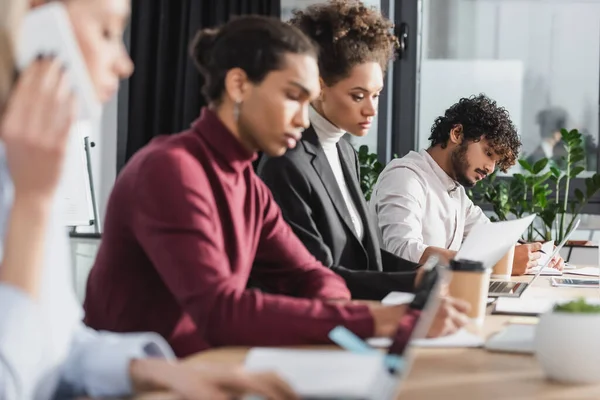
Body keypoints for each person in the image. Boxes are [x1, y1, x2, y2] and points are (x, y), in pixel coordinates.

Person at [83, 15, 470, 357]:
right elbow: (221, 311)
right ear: (239, 85)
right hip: (145, 382)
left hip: (212, 368)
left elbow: (312, 275)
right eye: (292, 97)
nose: (303, 120)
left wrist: (349, 313)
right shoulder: (170, 170)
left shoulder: (248, 186)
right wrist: (380, 319)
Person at [0, 1, 297, 399]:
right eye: (106, 33)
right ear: (35, 26)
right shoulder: (32, 187)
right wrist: (32, 207)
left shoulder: (25, 166)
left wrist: (153, 371)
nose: (126, 64)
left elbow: (53, 346)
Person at [257, 0, 422, 300]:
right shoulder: (287, 163)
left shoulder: (345, 152)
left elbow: (365, 258)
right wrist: (415, 283)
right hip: (319, 326)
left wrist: (431, 272)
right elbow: (317, 275)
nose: (372, 109)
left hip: (358, 314)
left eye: (377, 94)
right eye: (358, 96)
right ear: (319, 86)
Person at [369, 94, 564, 275]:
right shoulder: (406, 177)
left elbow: (491, 236)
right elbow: (403, 252)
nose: (490, 168)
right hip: (399, 302)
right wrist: (494, 264)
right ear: (457, 133)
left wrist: (538, 252)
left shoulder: (454, 191)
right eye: (488, 153)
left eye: (496, 163)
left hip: (437, 297)